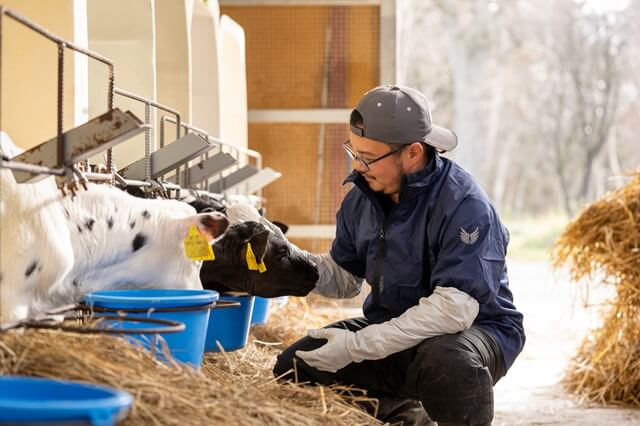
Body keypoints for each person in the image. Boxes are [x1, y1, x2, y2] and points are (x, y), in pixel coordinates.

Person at [273, 85, 525, 426]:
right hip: (390, 325)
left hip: (474, 331)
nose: (358, 165)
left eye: (368, 157)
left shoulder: (464, 205)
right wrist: (289, 261)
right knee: (297, 363)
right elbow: (346, 279)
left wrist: (357, 345)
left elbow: (454, 312)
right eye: (354, 152)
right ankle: (406, 413)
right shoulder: (361, 198)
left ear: (412, 152)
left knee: (447, 361)